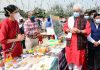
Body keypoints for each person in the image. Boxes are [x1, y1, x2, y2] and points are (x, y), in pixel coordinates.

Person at [63, 4, 91, 70]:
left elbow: (88, 31)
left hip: (79, 46)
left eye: (77, 11)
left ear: (80, 11)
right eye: (74, 11)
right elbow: (65, 28)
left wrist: (79, 31)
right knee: (70, 62)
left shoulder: (85, 20)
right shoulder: (69, 19)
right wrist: (68, 30)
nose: (75, 12)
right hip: (69, 45)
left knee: (78, 64)